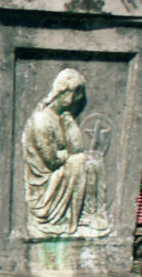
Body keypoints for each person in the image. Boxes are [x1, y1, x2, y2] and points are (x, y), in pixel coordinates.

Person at [22, 68, 108, 238]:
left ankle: (89, 215)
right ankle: (77, 217)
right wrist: (66, 155)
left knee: (93, 161)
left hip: (63, 170)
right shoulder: (42, 119)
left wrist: (69, 125)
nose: (75, 100)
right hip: (47, 180)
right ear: (62, 92)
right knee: (81, 162)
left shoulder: (63, 117)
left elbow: (76, 148)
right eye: (74, 94)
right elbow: (52, 160)